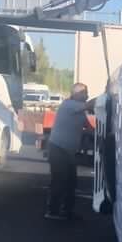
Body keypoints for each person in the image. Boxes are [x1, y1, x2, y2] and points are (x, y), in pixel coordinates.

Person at [45, 83, 89, 220]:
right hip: (58, 148)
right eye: (84, 93)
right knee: (59, 180)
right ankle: (53, 211)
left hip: (68, 151)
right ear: (76, 94)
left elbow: (87, 126)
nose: (87, 95)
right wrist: (106, 97)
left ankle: (67, 211)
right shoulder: (68, 105)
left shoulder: (79, 110)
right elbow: (90, 105)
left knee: (71, 182)